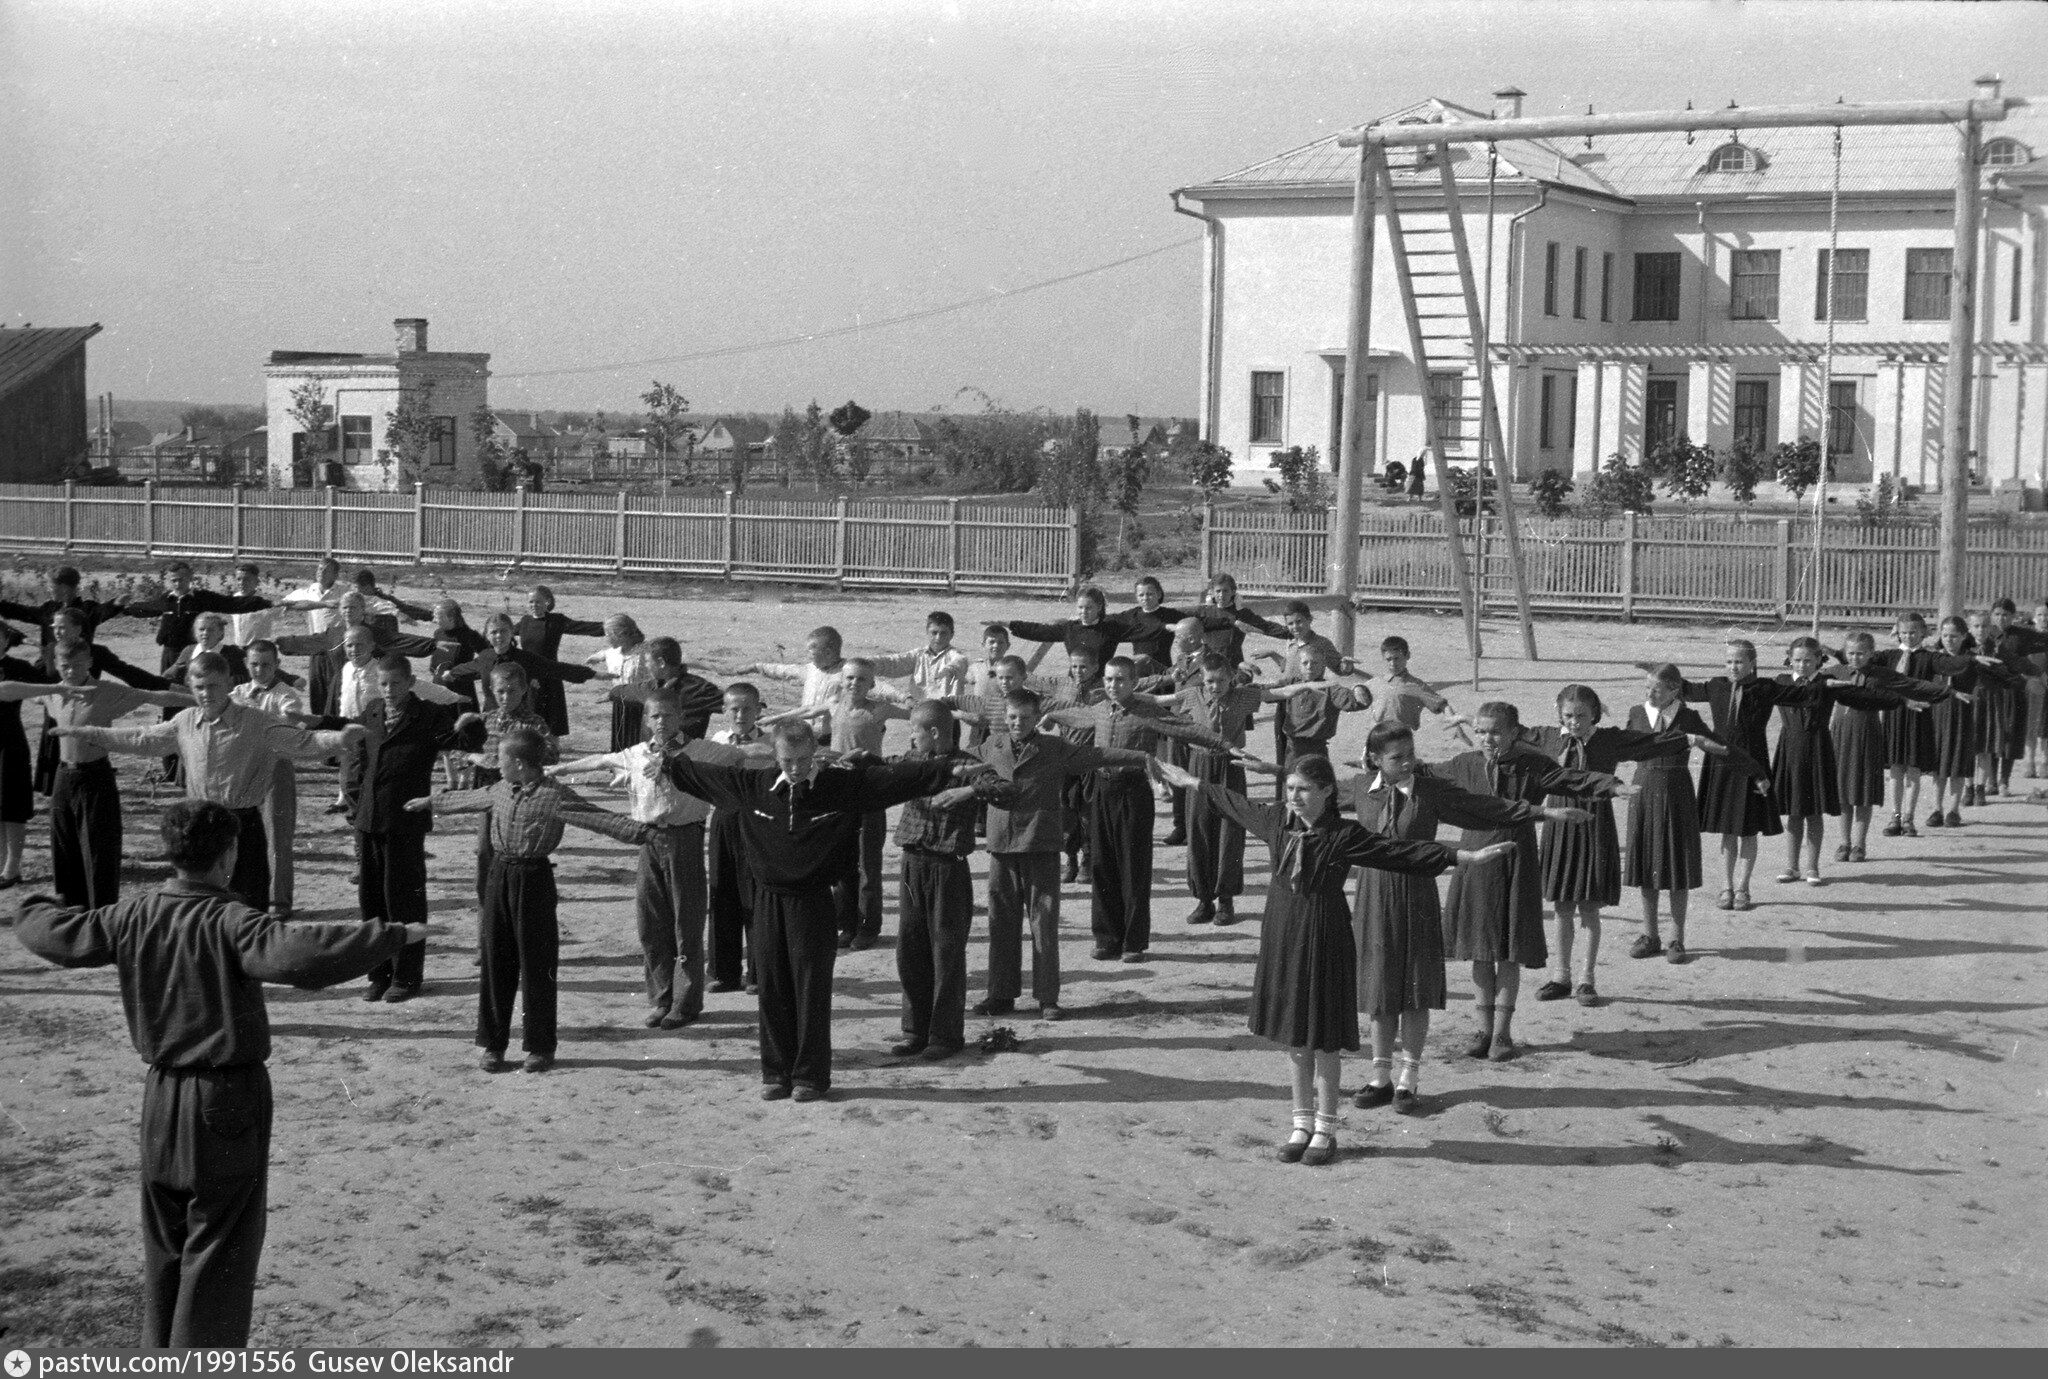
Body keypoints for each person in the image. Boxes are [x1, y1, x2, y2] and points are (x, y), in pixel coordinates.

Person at [13, 799, 435, 1346]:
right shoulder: (230, 920)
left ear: (172, 853)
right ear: (229, 855)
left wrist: (32, 905)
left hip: (161, 1096)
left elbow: (55, 933)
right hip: (226, 1097)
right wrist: (393, 935)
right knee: (219, 1251)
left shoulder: (132, 915)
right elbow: (301, 954)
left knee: (167, 1247)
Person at [1157, 753, 1513, 1165]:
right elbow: (1232, 802)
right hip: (1283, 936)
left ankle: (1326, 1129)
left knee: (1323, 1039)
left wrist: (1462, 857)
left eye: (1304, 789)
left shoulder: (1343, 835)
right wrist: (1190, 782)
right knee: (1295, 1037)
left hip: (1325, 935)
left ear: (1327, 791)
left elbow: (1398, 851)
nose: (1294, 797)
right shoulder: (1275, 822)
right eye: (1290, 788)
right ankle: (1300, 1124)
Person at [658, 720, 994, 1101]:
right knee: (771, 988)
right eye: (788, 760)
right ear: (775, 756)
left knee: (811, 990)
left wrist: (945, 770)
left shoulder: (838, 787)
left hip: (814, 903)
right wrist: (670, 763)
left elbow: (892, 780)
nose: (796, 768)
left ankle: (810, 1077)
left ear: (814, 754)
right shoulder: (753, 786)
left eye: (804, 760)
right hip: (767, 901)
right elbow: (704, 775)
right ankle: (776, 1073)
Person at [1325, 723, 1585, 1111]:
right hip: (1373, 898)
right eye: (1397, 757)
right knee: (1379, 989)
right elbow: (1315, 797)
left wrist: (1542, 812)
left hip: (1417, 895)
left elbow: (1483, 807)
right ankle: (1379, 1077)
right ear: (1375, 759)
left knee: (1414, 991)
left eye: (1411, 753)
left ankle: (1408, 1079)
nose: (1408, 762)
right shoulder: (1361, 788)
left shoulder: (1430, 791)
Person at [410, 727, 648, 1072]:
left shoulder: (554, 796)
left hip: (534, 880)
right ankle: (493, 1044)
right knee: (495, 961)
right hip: (499, 876)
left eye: (502, 759)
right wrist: (431, 802)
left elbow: (599, 818)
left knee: (538, 965)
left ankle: (540, 1047)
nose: (498, 766)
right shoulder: (502, 789)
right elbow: (471, 798)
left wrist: (643, 834)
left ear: (520, 763)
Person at [51, 652, 361, 911]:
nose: (206, 694)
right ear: (191, 686)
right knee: (201, 911)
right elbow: (143, 738)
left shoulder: (255, 722)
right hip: (199, 828)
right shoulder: (185, 721)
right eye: (199, 687)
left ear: (228, 684)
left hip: (241, 828)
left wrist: (339, 739)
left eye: (213, 686)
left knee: (244, 912)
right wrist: (90, 733)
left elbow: (303, 742)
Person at [1520, 684, 1733, 1003]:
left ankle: (1586, 979)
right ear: (1559, 714)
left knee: (1589, 908)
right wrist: (1465, 720)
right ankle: (1560, 976)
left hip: (1594, 823)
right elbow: (1512, 733)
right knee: (1562, 906)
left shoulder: (1609, 739)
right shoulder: (1549, 737)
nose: (1575, 722)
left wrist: (1689, 739)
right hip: (1560, 824)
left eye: (1581, 716)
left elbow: (1648, 743)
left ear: (1595, 713)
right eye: (1568, 715)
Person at [551, 691, 750, 1030]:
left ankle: (686, 1004)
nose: (662, 722)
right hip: (648, 839)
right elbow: (599, 761)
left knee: (686, 922)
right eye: (655, 716)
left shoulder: (701, 750)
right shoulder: (636, 754)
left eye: (668, 715)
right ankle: (661, 998)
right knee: (651, 922)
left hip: (684, 838)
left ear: (681, 717)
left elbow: (742, 756)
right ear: (646, 720)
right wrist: (558, 768)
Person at [1439, 702, 1619, 1059]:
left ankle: (1502, 1034)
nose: (1487, 739)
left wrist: (1611, 785)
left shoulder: (1532, 764)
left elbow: (1572, 779)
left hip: (1516, 860)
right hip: (1475, 861)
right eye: (1480, 732)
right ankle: (1482, 1029)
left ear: (1513, 732)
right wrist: (1373, 765)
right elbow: (1422, 773)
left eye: (1495, 732)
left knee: (1508, 954)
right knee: (1479, 952)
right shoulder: (1464, 764)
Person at [965, 687, 1154, 1019]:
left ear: (1038, 718)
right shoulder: (991, 746)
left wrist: (1143, 758)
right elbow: (955, 761)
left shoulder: (1054, 749)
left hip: (1040, 845)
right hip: (1002, 847)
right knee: (1001, 923)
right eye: (1012, 717)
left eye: (1025, 718)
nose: (1017, 723)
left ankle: (1047, 997)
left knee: (1044, 924)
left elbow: (1099, 755)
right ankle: (1000, 994)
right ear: (1004, 717)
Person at [1040, 656, 1235, 963]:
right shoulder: (1100, 709)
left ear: (1133, 683)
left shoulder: (1146, 711)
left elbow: (1185, 728)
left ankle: (1133, 942)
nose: (1113, 685)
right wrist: (1051, 716)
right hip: (1101, 790)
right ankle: (1106, 938)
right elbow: (1077, 715)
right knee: (1102, 864)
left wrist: (1225, 744)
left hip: (1133, 793)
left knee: (1133, 868)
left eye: (1120, 680)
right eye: (1108, 679)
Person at [317, 654, 487, 1002]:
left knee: (404, 900)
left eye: (396, 683)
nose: (389, 690)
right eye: (383, 684)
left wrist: (469, 722)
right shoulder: (373, 711)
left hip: (405, 820)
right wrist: (357, 802)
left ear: (410, 682)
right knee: (371, 900)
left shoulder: (427, 715)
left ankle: (407, 977)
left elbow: (463, 742)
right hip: (368, 818)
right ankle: (378, 974)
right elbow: (358, 753)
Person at [1, 642, 192, 907]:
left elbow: (154, 696)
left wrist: (198, 699)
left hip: (95, 776)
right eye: (64, 666)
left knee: (98, 850)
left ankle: (101, 912)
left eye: (77, 665)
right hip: (63, 776)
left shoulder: (106, 691)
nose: (70, 671)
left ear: (90, 662)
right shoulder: (53, 692)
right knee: (64, 846)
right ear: (56, 664)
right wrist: (55, 688)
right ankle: (72, 911)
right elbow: (4, 691)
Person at [888, 701, 1015, 1061]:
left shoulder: (969, 766)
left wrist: (968, 791)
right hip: (912, 864)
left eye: (915, 730)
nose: (911, 736)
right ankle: (915, 1032)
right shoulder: (912, 761)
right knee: (910, 951)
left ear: (934, 733)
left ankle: (945, 1036)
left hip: (947, 869)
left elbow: (1006, 791)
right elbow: (880, 767)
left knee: (946, 953)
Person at [758, 658, 912, 950]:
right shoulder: (834, 704)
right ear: (842, 680)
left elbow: (915, 715)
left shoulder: (879, 709)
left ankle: (868, 927)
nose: (854, 684)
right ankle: (846, 924)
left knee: (868, 863)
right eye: (850, 678)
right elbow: (805, 711)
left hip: (869, 790)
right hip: (838, 790)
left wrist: (922, 704)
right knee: (840, 861)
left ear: (872, 684)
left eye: (862, 679)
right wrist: (774, 719)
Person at [1653, 641, 1803, 911]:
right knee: (1727, 829)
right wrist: (1659, 673)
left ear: (1752, 663)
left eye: (1739, 662)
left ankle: (1743, 887)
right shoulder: (1716, 686)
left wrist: (1826, 684)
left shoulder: (1765, 688)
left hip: (1753, 763)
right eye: (1729, 662)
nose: (1733, 667)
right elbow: (1683, 688)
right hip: (1721, 762)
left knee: (1748, 829)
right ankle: (1727, 887)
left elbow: (1801, 693)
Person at [1153, 653, 1265, 925]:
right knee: (1199, 829)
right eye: (1210, 681)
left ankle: (1226, 900)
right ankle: (1204, 900)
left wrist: (1314, 685)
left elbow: (1278, 693)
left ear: (1231, 678)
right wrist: (1124, 696)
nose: (1215, 686)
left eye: (1221, 681)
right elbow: (1159, 701)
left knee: (1230, 832)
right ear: (1202, 680)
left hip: (1231, 767)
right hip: (1199, 764)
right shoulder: (1193, 696)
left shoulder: (1242, 696)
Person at [1829, 631, 1948, 862]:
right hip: (1841, 735)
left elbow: (1910, 685)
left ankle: (1860, 844)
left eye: (1861, 654)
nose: (1855, 658)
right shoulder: (1837, 672)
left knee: (1862, 792)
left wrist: (1943, 692)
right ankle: (1844, 842)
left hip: (1867, 734)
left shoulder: (1880, 675)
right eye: (1851, 653)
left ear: (1871, 653)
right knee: (1843, 792)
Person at [228, 640, 308, 918]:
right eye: (254, 665)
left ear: (277, 665)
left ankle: (278, 901)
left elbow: (287, 723)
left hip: (275, 768)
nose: (260, 670)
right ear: (246, 664)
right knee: (240, 834)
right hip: (243, 770)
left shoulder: (286, 696)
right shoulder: (238, 693)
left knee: (277, 835)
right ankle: (244, 896)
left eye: (266, 665)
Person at [706, 682, 773, 992]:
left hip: (758, 822)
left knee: (756, 895)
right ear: (724, 710)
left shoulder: (770, 744)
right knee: (722, 893)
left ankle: (758, 973)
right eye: (734, 709)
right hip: (724, 819)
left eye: (747, 709)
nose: (740, 715)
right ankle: (724, 972)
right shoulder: (717, 741)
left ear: (759, 710)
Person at [585, 612, 657, 751]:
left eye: (608, 634)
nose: (606, 638)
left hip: (643, 704)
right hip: (621, 704)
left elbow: (671, 657)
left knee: (642, 744)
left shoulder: (645, 651)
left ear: (621, 635)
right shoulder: (614, 652)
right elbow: (605, 653)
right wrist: (597, 656)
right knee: (622, 743)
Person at [513, 584, 605, 663]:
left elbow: (582, 627)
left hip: (550, 671)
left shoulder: (556, 621)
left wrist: (608, 626)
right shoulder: (525, 621)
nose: (534, 605)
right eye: (531, 602)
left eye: (538, 602)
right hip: (527, 671)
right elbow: (508, 631)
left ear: (547, 602)